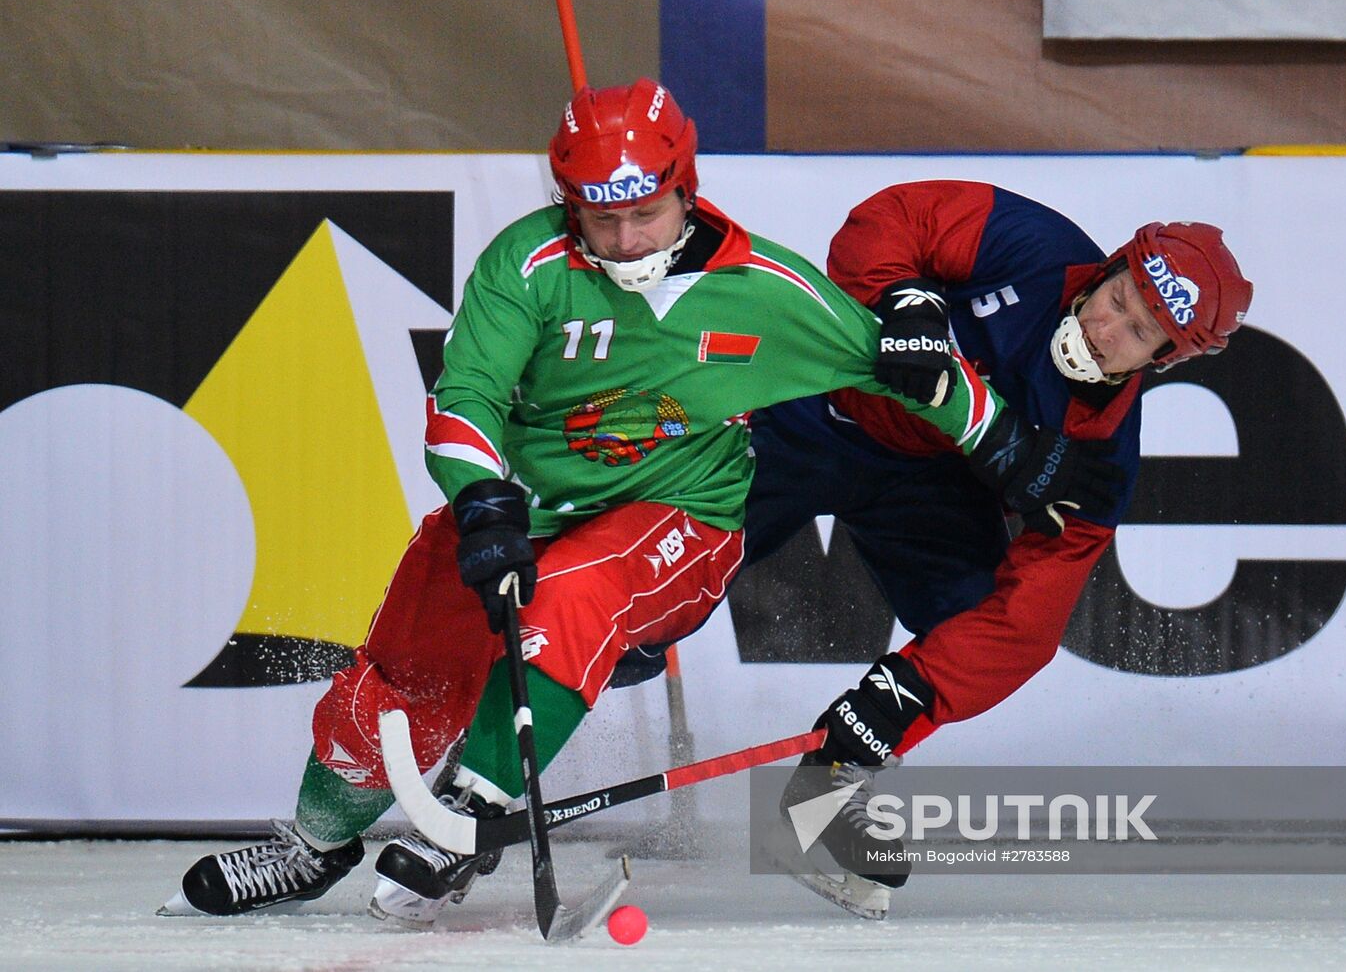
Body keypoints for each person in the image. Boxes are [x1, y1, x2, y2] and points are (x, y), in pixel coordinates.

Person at [157, 85, 1114, 924]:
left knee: (574, 594)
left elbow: (909, 368)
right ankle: (312, 845)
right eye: (597, 217)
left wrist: (1009, 446)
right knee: (408, 660)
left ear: (685, 187)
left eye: (644, 214)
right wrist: (483, 503)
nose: (622, 241)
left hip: (682, 519)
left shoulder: (766, 291)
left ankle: (469, 814)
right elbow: (465, 399)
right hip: (529, 505)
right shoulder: (524, 267)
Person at [616, 179, 1253, 917]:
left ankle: (824, 788)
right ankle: (490, 753)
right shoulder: (1036, 246)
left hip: (921, 488)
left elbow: (1026, 624)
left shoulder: (1100, 453)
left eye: (1139, 332)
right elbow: (892, 219)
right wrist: (904, 297)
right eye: (1118, 297)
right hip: (806, 409)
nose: (1108, 328)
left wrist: (898, 702)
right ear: (1111, 264)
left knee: (975, 614)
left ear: (1165, 360)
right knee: (641, 610)